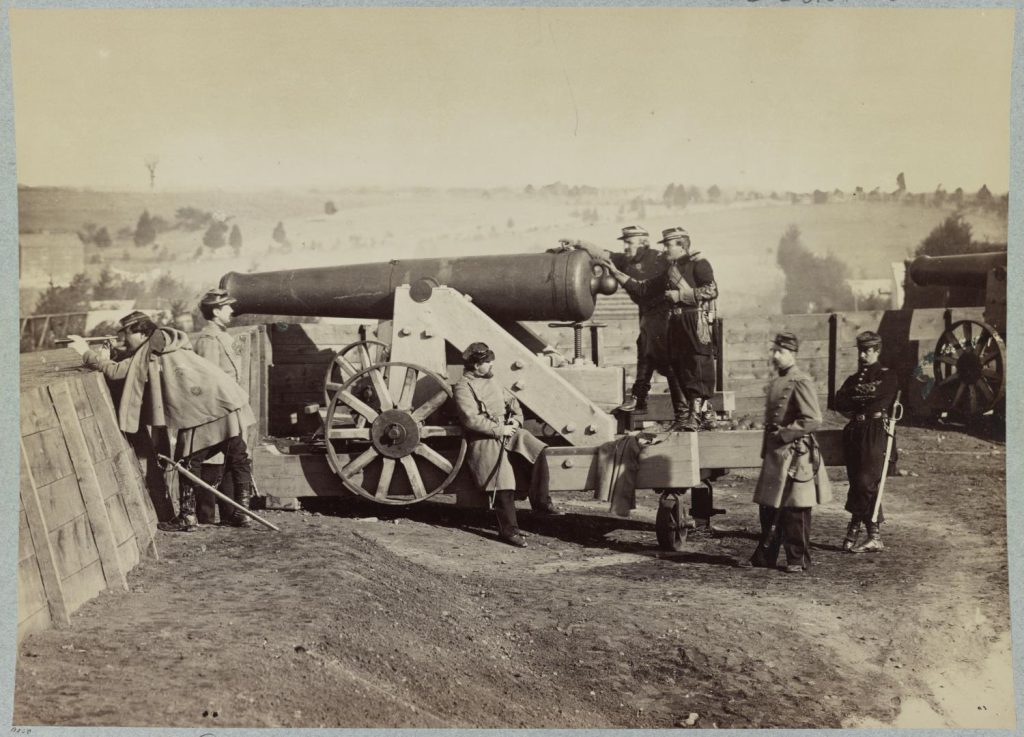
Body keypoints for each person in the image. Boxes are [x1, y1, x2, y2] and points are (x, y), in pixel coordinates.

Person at [70, 310, 256, 533]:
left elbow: (118, 372)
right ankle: (242, 513)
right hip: (224, 401)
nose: (123, 340)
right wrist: (115, 352)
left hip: (200, 411)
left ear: (140, 333)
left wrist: (86, 353)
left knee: (187, 462)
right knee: (238, 456)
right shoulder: (167, 340)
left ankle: (188, 517)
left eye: (126, 335)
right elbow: (137, 364)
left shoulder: (150, 349)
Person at [604, 227, 719, 431]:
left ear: (681, 245)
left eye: (668, 245)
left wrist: (681, 296)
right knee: (678, 368)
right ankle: (687, 417)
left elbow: (712, 290)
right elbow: (643, 288)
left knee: (697, 365)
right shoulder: (670, 271)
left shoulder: (699, 264)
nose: (665, 249)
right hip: (674, 325)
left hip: (694, 321)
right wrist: (616, 273)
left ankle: (696, 416)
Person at [452, 341, 563, 547]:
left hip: (507, 431)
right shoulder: (463, 387)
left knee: (536, 449)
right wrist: (499, 430)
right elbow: (471, 419)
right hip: (484, 439)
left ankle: (541, 502)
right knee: (502, 483)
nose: (492, 366)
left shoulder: (493, 381)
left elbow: (513, 404)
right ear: (476, 366)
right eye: (488, 363)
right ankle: (509, 531)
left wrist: (515, 420)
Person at [741, 332, 832, 572]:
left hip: (795, 453)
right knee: (769, 506)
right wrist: (767, 448)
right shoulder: (777, 381)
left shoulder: (800, 381)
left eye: (779, 351)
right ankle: (766, 556)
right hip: (776, 453)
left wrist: (784, 435)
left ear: (792, 353)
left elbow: (813, 419)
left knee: (795, 508)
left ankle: (798, 559)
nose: (774, 355)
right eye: (773, 350)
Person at [575, 226, 669, 414]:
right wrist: (578, 243)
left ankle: (697, 407)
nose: (626, 246)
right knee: (644, 350)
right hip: (647, 313)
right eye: (624, 242)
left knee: (670, 360)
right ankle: (638, 398)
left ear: (643, 243)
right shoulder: (624, 262)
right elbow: (602, 253)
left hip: (667, 312)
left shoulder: (660, 259)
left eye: (629, 242)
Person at [193, 288, 256, 527]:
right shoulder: (209, 339)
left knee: (233, 458)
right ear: (216, 311)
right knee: (229, 457)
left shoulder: (222, 335)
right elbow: (210, 380)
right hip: (219, 411)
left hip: (230, 408)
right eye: (227, 307)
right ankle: (219, 515)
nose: (232, 310)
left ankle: (233, 514)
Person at [834, 330, 899, 553]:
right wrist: (860, 393)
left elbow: (880, 396)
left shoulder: (887, 375)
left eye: (866, 351)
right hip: (855, 433)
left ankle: (853, 527)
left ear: (876, 351)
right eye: (860, 351)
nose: (862, 356)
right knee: (860, 484)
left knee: (865, 483)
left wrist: (856, 394)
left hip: (876, 432)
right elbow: (839, 400)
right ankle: (875, 536)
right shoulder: (854, 378)